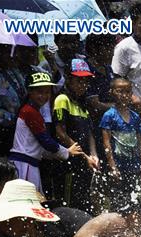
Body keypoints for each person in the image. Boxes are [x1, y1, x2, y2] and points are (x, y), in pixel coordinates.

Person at [9, 72, 82, 193]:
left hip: (27, 163)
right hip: (24, 165)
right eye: (39, 92)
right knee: (27, 203)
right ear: (30, 92)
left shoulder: (32, 111)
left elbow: (40, 147)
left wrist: (59, 154)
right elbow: (45, 141)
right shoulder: (30, 112)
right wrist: (66, 152)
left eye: (47, 92)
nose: (44, 96)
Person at [51, 58, 100, 213]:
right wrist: (85, 156)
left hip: (85, 163)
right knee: (69, 204)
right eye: (79, 81)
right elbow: (60, 133)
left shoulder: (82, 104)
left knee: (84, 202)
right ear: (69, 79)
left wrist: (93, 154)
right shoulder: (62, 100)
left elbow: (90, 133)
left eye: (85, 81)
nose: (83, 85)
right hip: (69, 163)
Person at [100, 78, 141, 214]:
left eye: (127, 92)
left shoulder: (135, 117)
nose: (124, 95)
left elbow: (139, 143)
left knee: (135, 200)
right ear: (112, 93)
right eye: (119, 91)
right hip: (119, 165)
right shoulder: (109, 115)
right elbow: (106, 142)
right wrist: (112, 166)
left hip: (134, 164)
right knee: (119, 201)